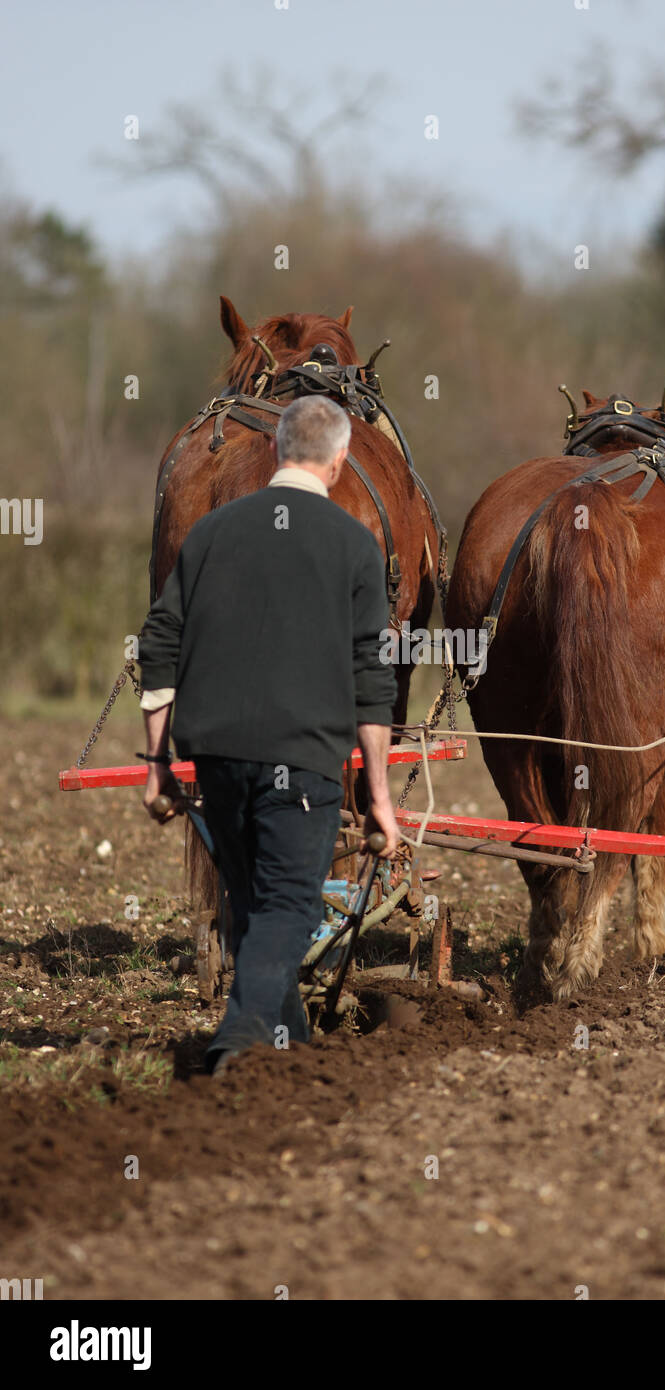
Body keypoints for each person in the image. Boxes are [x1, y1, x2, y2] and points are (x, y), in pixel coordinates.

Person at [136, 395, 400, 1076]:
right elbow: (372, 680)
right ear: (340, 461)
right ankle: (240, 1035)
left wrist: (156, 763)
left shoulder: (210, 534)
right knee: (289, 904)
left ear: (279, 449)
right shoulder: (354, 546)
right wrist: (378, 795)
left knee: (254, 908)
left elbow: (159, 645)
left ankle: (291, 1054)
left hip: (216, 756)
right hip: (301, 759)